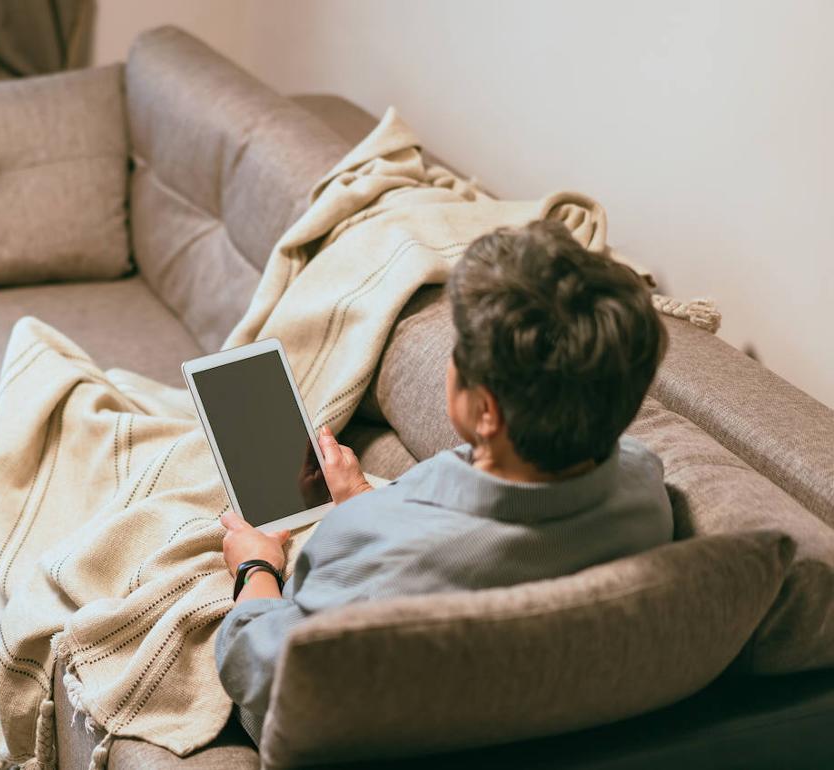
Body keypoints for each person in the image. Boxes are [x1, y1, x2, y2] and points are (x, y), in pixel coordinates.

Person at [215, 220, 674, 742]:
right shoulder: (645, 482)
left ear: (485, 411)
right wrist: (360, 496)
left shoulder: (378, 552)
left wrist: (255, 568)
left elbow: (261, 668)